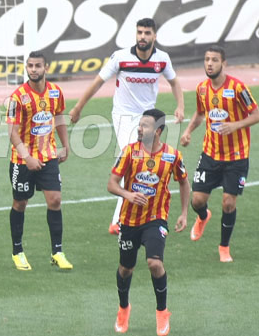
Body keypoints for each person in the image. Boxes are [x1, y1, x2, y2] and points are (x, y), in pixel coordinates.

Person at [68, 18, 184, 236]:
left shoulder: (162, 59)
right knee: (132, 159)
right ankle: (118, 221)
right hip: (124, 116)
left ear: (154, 36)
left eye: (147, 33)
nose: (142, 36)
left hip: (149, 118)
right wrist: (78, 107)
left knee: (143, 164)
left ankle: (139, 215)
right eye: (139, 32)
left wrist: (180, 106)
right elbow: (98, 82)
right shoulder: (121, 57)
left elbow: (174, 82)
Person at [108, 109, 189, 336]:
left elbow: (184, 182)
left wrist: (184, 213)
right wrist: (128, 195)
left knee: (154, 263)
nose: (140, 128)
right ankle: (124, 308)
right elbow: (111, 183)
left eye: (145, 125)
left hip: (156, 219)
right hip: (129, 220)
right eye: (140, 124)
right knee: (126, 269)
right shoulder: (129, 152)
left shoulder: (172, 156)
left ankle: (162, 312)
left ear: (158, 131)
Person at [180, 47, 259, 262]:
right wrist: (188, 131)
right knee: (197, 201)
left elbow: (256, 115)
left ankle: (224, 247)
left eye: (214, 60)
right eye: (207, 59)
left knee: (228, 203)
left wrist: (235, 125)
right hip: (210, 154)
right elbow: (200, 113)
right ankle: (203, 216)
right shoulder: (202, 89)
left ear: (223, 63)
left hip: (236, 157)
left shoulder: (238, 88)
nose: (209, 63)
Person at [6, 51, 72, 271]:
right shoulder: (18, 97)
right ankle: (17, 252)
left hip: (48, 155)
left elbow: (59, 118)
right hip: (22, 160)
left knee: (55, 200)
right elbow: (13, 132)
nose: (33, 69)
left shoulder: (55, 92)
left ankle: (57, 252)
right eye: (30, 66)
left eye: (37, 66)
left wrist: (65, 145)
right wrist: (27, 157)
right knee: (20, 203)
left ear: (46, 68)